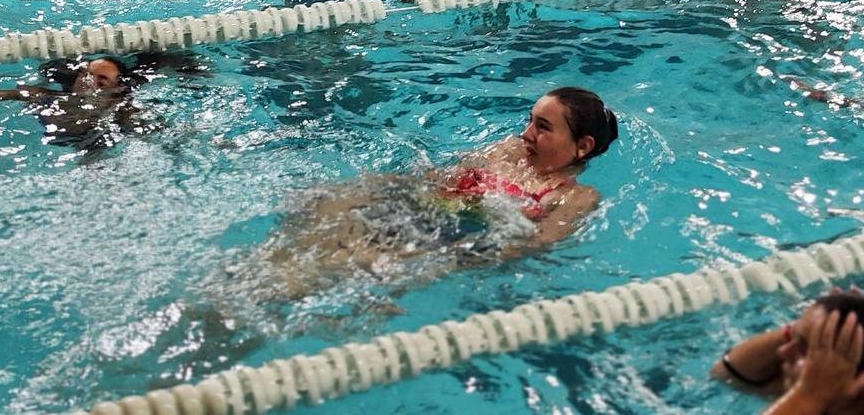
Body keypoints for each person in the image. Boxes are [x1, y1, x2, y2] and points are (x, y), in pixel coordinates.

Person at [250, 87, 618, 298]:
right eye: (529, 120)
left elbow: (528, 247)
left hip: (442, 242)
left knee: (302, 278)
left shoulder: (575, 197)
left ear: (583, 146)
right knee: (319, 212)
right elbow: (440, 178)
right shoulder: (510, 150)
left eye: (542, 127)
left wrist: (433, 261)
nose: (526, 133)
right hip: (411, 208)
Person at [715, 290, 864, 414]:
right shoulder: (831, 400)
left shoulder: (814, 397)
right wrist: (806, 327)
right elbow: (727, 375)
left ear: (857, 389)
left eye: (809, 350)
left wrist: (809, 395)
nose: (783, 351)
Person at [0, 47, 176, 149]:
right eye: (87, 74)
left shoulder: (120, 108)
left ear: (116, 89)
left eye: (102, 81)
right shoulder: (43, 96)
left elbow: (162, 134)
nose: (90, 82)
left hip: (98, 143)